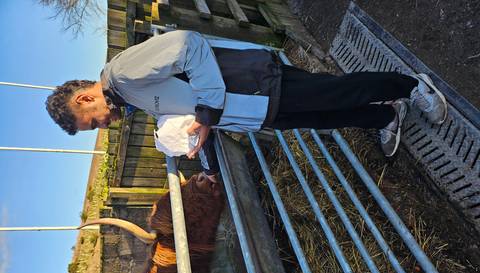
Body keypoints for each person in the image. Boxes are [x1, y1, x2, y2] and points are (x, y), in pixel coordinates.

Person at [45, 30, 447, 181]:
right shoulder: (128, 96)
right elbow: (182, 99)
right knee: (326, 116)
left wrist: (204, 117)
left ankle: (412, 87)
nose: (104, 126)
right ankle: (385, 114)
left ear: (84, 98)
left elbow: (189, 46)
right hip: (253, 109)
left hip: (255, 84)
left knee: (335, 92)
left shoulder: (124, 73)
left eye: (92, 123)